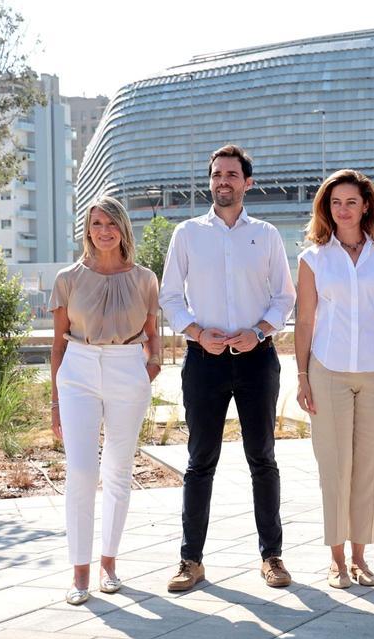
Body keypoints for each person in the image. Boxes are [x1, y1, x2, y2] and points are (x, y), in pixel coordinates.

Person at [160, 145, 297, 592]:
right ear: (210, 181)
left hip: (257, 359)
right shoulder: (187, 234)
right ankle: (190, 560)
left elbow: (284, 297)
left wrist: (258, 331)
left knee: (263, 459)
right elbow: (170, 297)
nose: (223, 181)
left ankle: (272, 557)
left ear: (247, 183)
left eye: (232, 174)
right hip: (204, 362)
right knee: (200, 461)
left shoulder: (267, 234)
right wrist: (197, 332)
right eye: (217, 174)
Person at [50, 195, 160, 605]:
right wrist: (55, 401)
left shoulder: (146, 278)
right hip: (77, 370)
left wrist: (148, 369)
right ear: (87, 230)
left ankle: (108, 563)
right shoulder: (68, 278)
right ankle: (79, 571)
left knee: (118, 468)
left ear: (123, 228)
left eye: (111, 223)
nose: (103, 231)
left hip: (126, 367)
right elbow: (57, 346)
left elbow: (153, 334)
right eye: (96, 223)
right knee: (81, 470)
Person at [295, 170, 374, 590]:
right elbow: (305, 320)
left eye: (351, 202)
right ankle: (336, 559)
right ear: (327, 208)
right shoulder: (313, 259)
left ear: (366, 206)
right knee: (334, 467)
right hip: (328, 370)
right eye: (336, 202)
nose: (343, 209)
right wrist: (302, 375)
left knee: (369, 466)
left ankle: (360, 556)